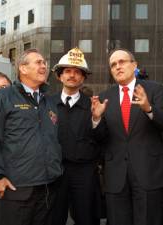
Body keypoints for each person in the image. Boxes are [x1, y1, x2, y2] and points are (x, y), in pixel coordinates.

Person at [91, 48, 163, 225]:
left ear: (134, 65)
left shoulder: (154, 89)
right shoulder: (105, 97)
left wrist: (149, 109)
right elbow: (100, 138)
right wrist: (96, 119)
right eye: (113, 65)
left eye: (122, 62)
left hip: (149, 173)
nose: (117, 67)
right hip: (116, 177)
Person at [0, 49, 63, 225]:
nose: (44, 66)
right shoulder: (3, 97)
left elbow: (53, 140)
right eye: (38, 62)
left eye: (45, 63)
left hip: (48, 187)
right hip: (16, 187)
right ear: (23, 68)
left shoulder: (49, 102)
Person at [50, 47, 104, 225]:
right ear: (59, 76)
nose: (72, 75)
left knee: (86, 218)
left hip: (84, 173)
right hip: (54, 172)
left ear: (83, 77)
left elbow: (103, 139)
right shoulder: (47, 103)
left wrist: (97, 119)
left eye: (77, 72)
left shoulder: (93, 105)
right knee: (53, 218)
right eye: (67, 71)